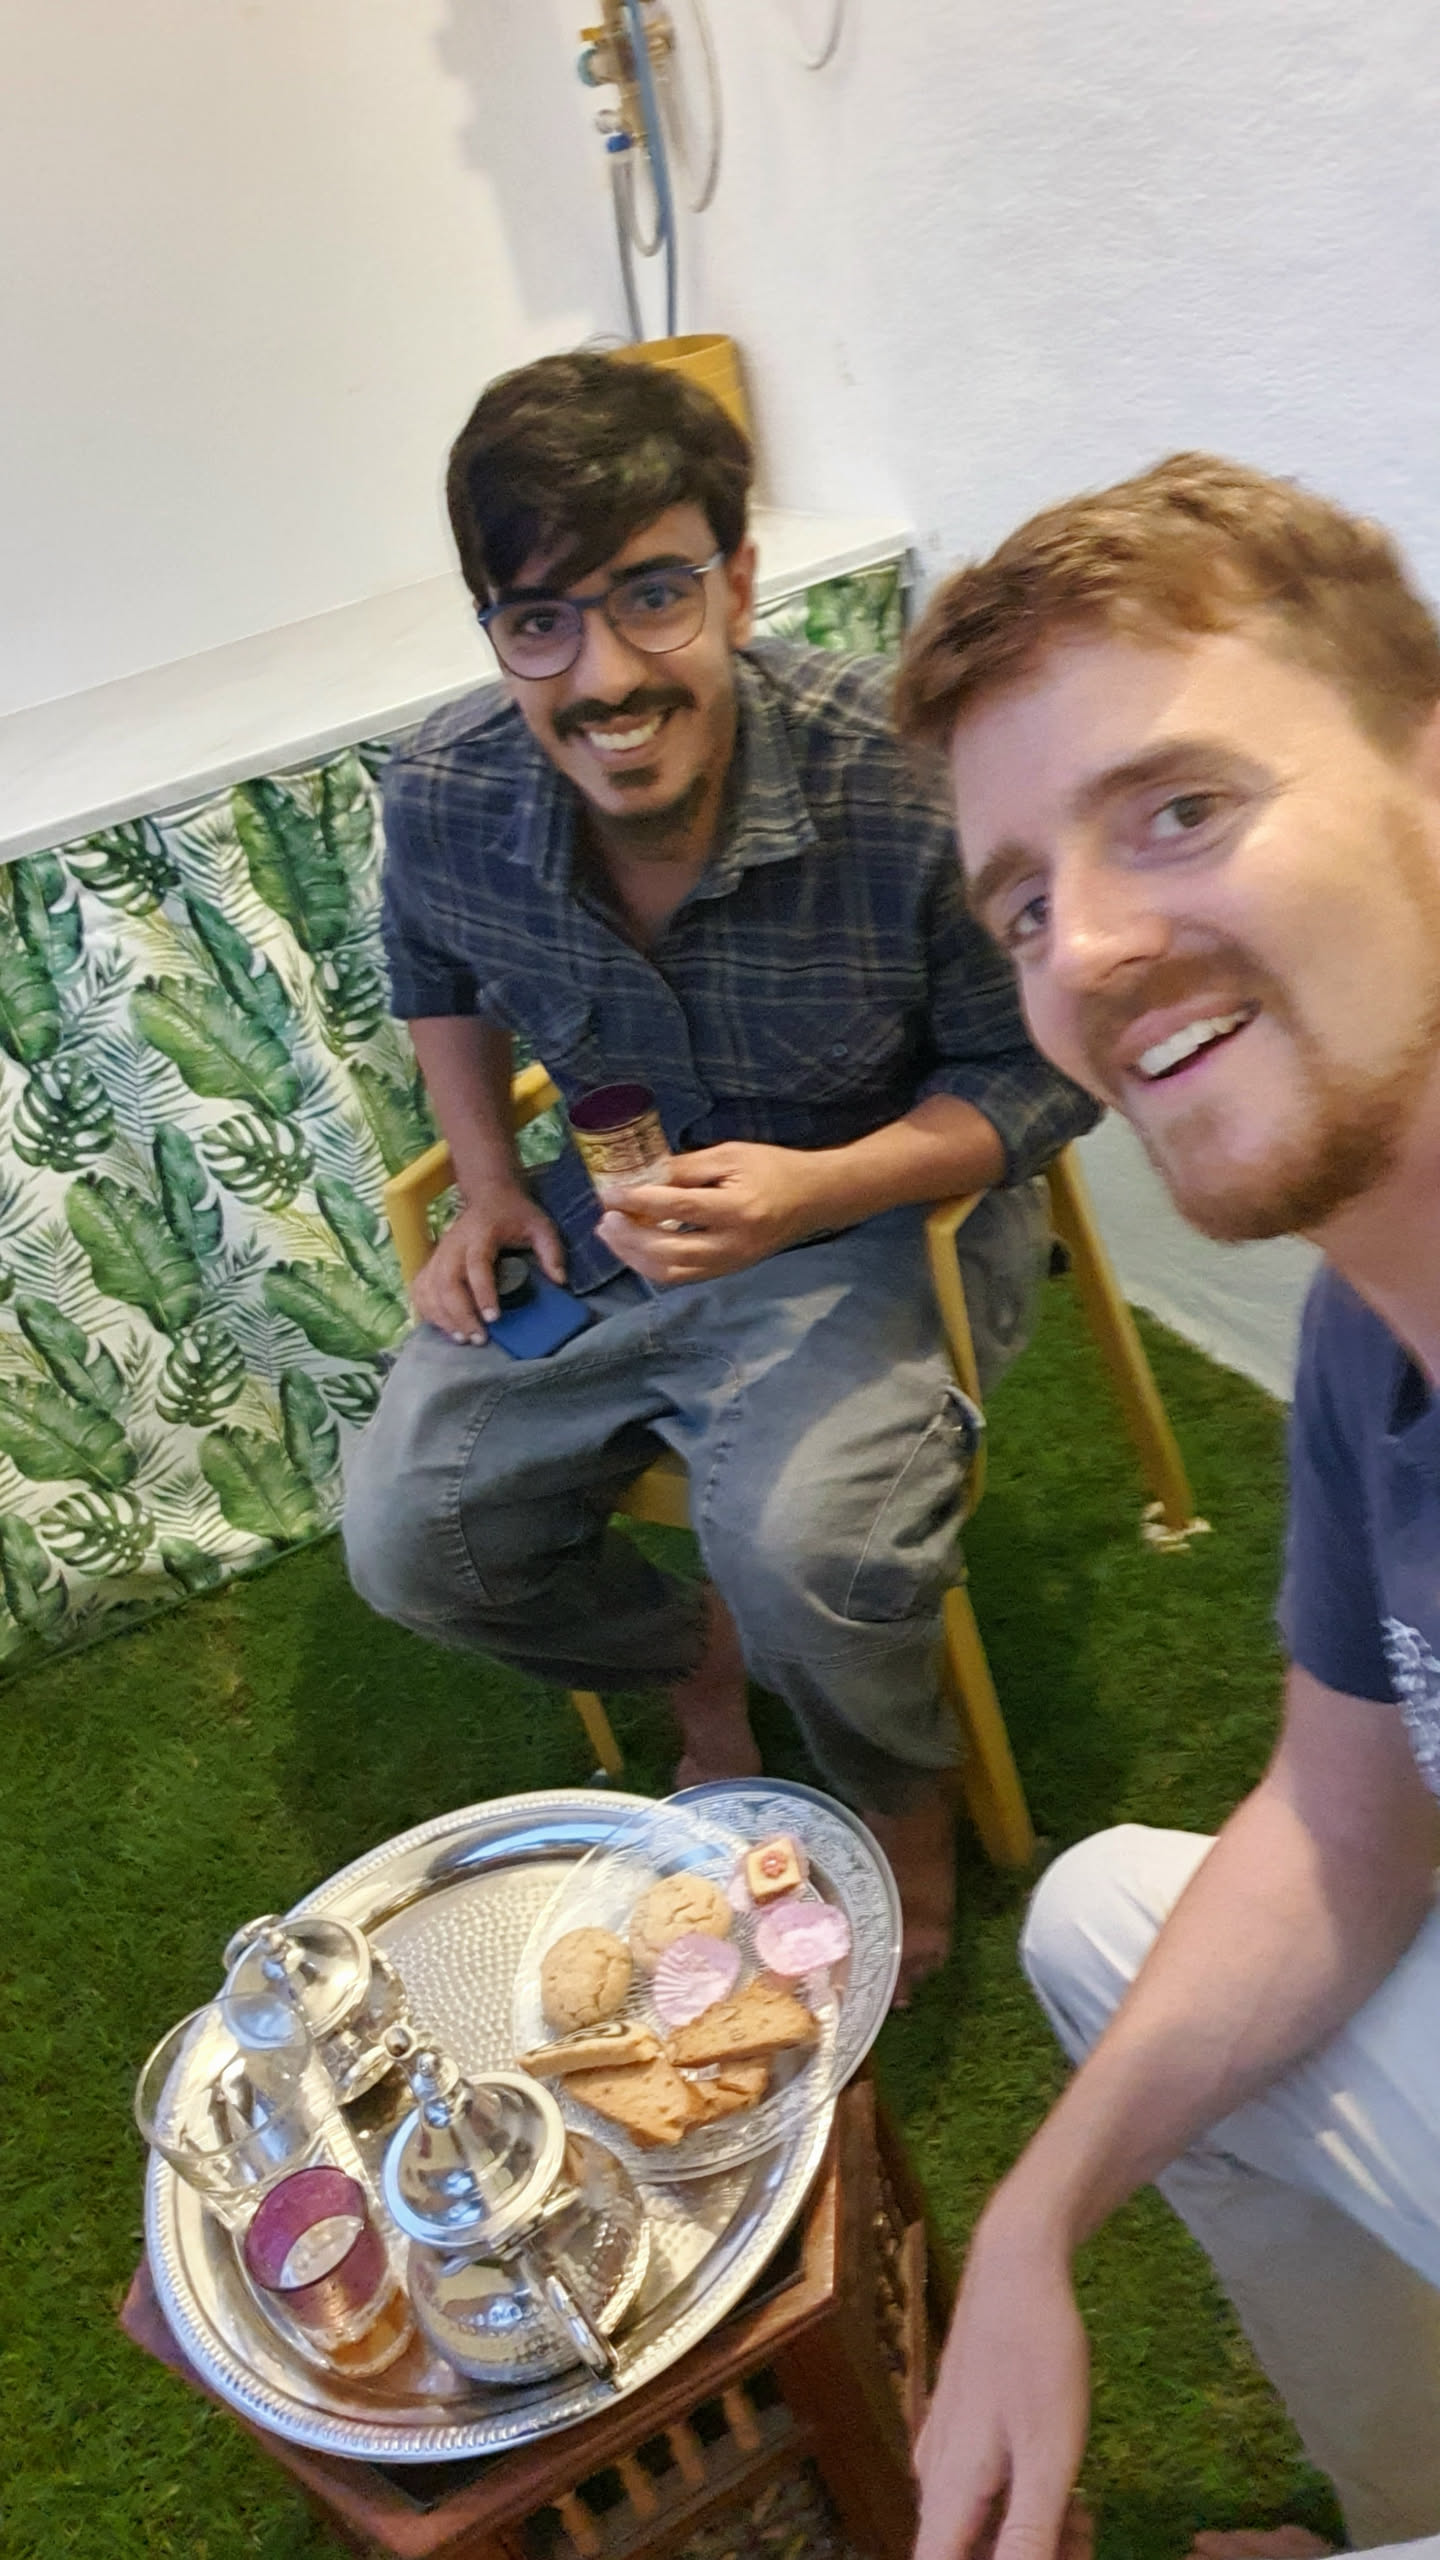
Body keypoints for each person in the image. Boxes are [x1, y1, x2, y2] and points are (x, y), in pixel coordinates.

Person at [342, 350, 1096, 1990]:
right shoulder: (448, 789)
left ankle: (897, 1809)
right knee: (409, 1538)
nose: (604, 676)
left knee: (810, 1549)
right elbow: (432, 967)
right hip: (607, 1216)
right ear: (493, 631)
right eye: (539, 620)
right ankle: (699, 1664)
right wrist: (487, 1181)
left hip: (877, 1213)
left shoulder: (904, 775)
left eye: (652, 597)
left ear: (739, 584)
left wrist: (813, 1194)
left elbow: (1042, 1071)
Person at [893, 452, 1440, 2553]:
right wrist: (1036, 2218)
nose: (1091, 950)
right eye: (1025, 902)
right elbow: (1345, 1821)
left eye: (1180, 809)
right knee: (1106, 1923)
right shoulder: (1371, 1334)